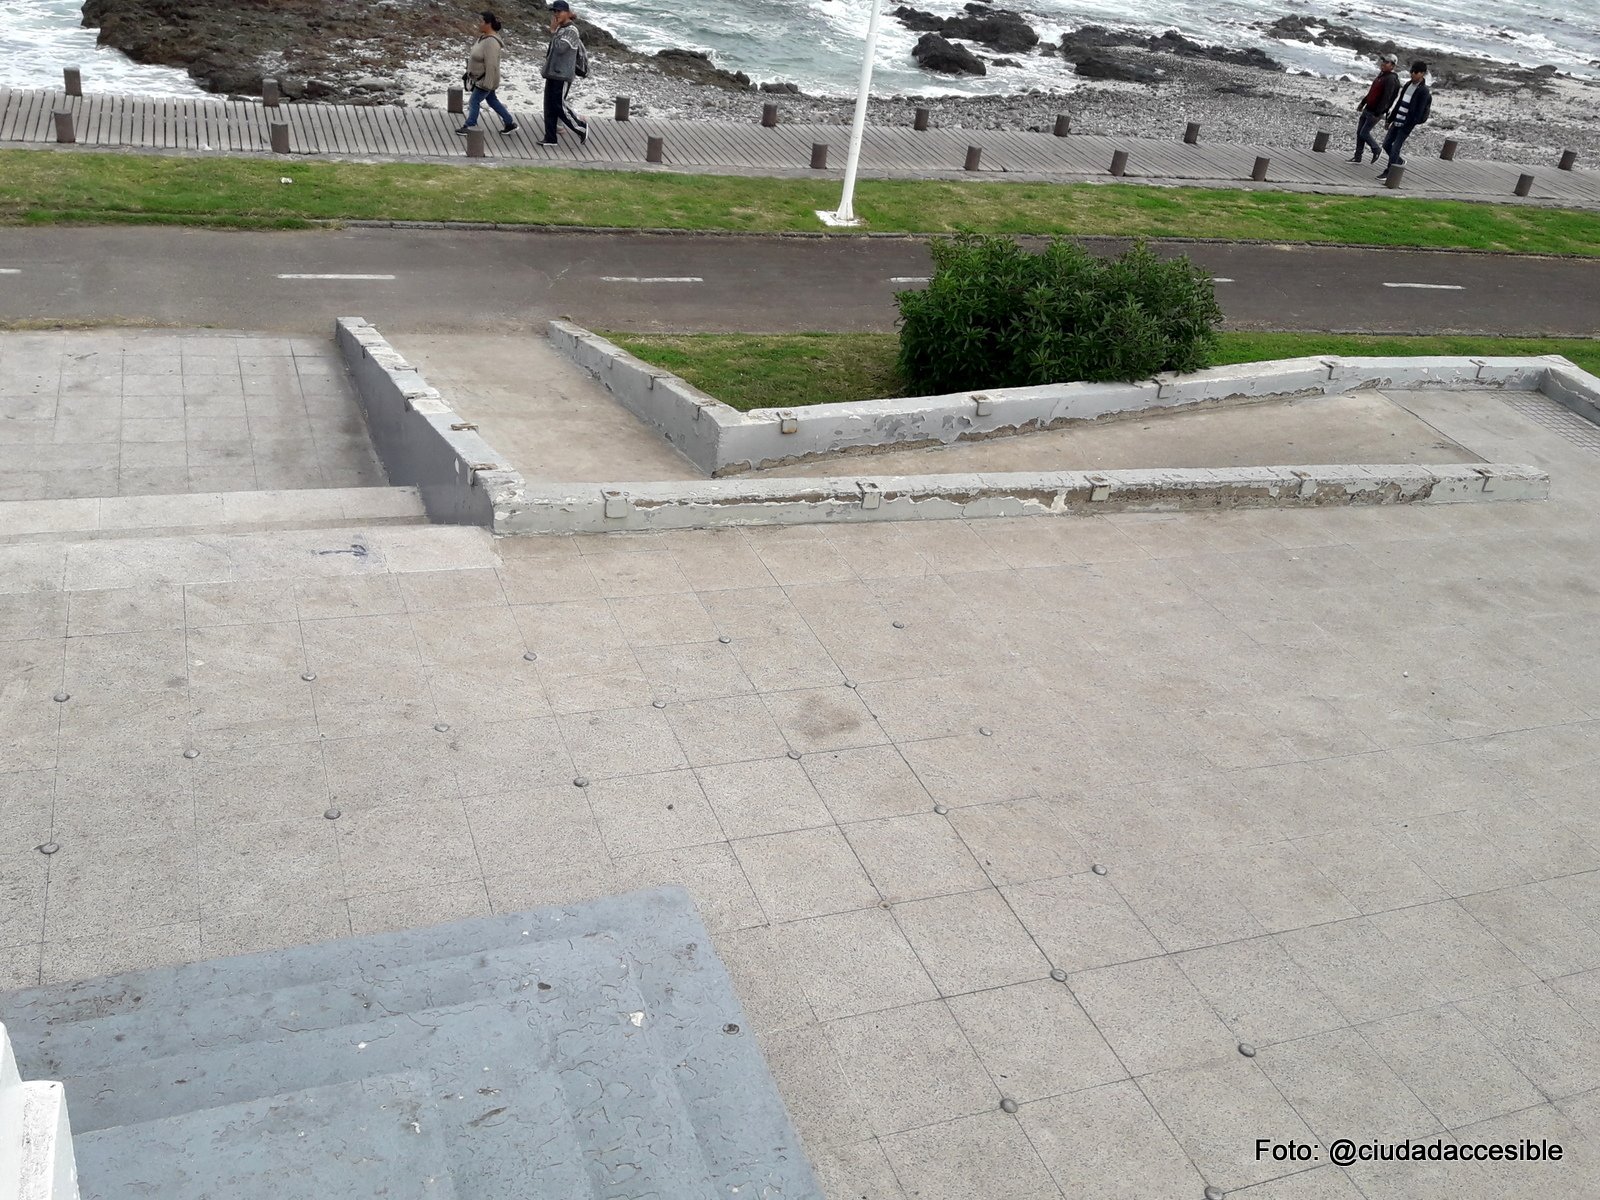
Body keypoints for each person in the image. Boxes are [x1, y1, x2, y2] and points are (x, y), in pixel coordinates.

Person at [458, 11, 518, 136]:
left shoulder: (491, 42)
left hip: (485, 80)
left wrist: (487, 83)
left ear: (488, 24)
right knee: (492, 100)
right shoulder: (483, 38)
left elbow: (491, 65)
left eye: (481, 21)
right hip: (480, 78)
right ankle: (509, 123)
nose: (478, 24)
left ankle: (470, 125)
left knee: (474, 101)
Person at [541, 0, 589, 147]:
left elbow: (561, 48)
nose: (556, 14)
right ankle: (550, 138)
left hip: (562, 75)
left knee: (558, 105)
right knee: (548, 106)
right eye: (554, 12)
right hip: (552, 73)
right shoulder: (562, 28)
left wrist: (553, 31)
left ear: (567, 13)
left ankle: (581, 127)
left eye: (559, 11)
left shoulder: (571, 30)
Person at [1379, 61, 1432, 180]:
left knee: (1395, 148)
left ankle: (1390, 172)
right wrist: (1390, 119)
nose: (1412, 74)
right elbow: (1399, 103)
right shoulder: (1408, 85)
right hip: (1397, 120)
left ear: (1422, 73)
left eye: (1416, 72)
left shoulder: (1423, 91)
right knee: (1386, 144)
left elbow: (1419, 112)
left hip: (1406, 124)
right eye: (1411, 71)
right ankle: (1398, 162)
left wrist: (1409, 123)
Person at [1352, 53, 1400, 163]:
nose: (1383, 64)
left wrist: (1379, 112)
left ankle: (1376, 149)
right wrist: (1362, 103)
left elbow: (1386, 98)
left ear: (1393, 66)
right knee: (1359, 132)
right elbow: (1372, 92)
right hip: (1368, 108)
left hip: (1375, 112)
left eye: (1386, 62)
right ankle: (1357, 156)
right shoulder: (1381, 75)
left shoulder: (1391, 79)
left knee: (1364, 133)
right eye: (1383, 61)